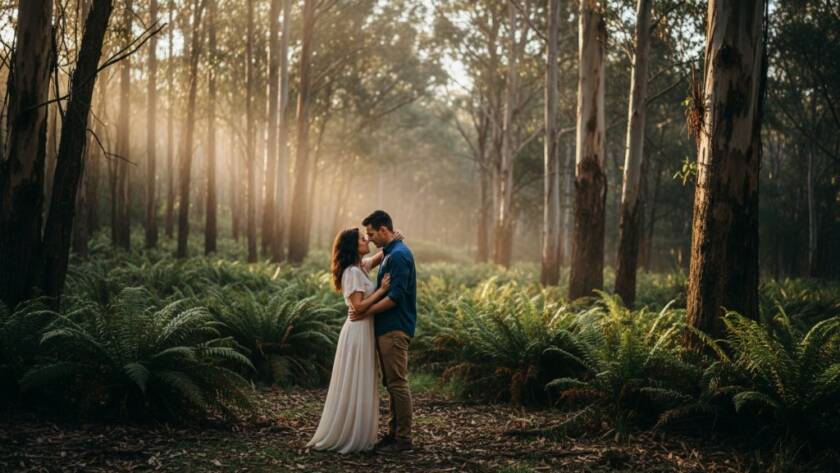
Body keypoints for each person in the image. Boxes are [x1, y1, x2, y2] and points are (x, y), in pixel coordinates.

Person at [306, 227, 390, 453]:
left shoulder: (360, 267)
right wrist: (382, 291)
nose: (367, 240)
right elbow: (358, 307)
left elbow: (377, 256)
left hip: (363, 330)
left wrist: (393, 239)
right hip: (357, 331)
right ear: (352, 246)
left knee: (360, 379)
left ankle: (358, 430)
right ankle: (348, 434)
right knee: (355, 379)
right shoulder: (352, 272)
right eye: (362, 239)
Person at [350, 210, 417, 454]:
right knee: (391, 383)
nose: (369, 239)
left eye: (371, 234)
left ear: (383, 230)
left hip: (395, 328)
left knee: (397, 383)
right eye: (365, 236)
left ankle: (404, 440)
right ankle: (393, 434)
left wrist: (365, 313)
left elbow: (395, 297)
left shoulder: (399, 256)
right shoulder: (391, 252)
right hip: (386, 328)